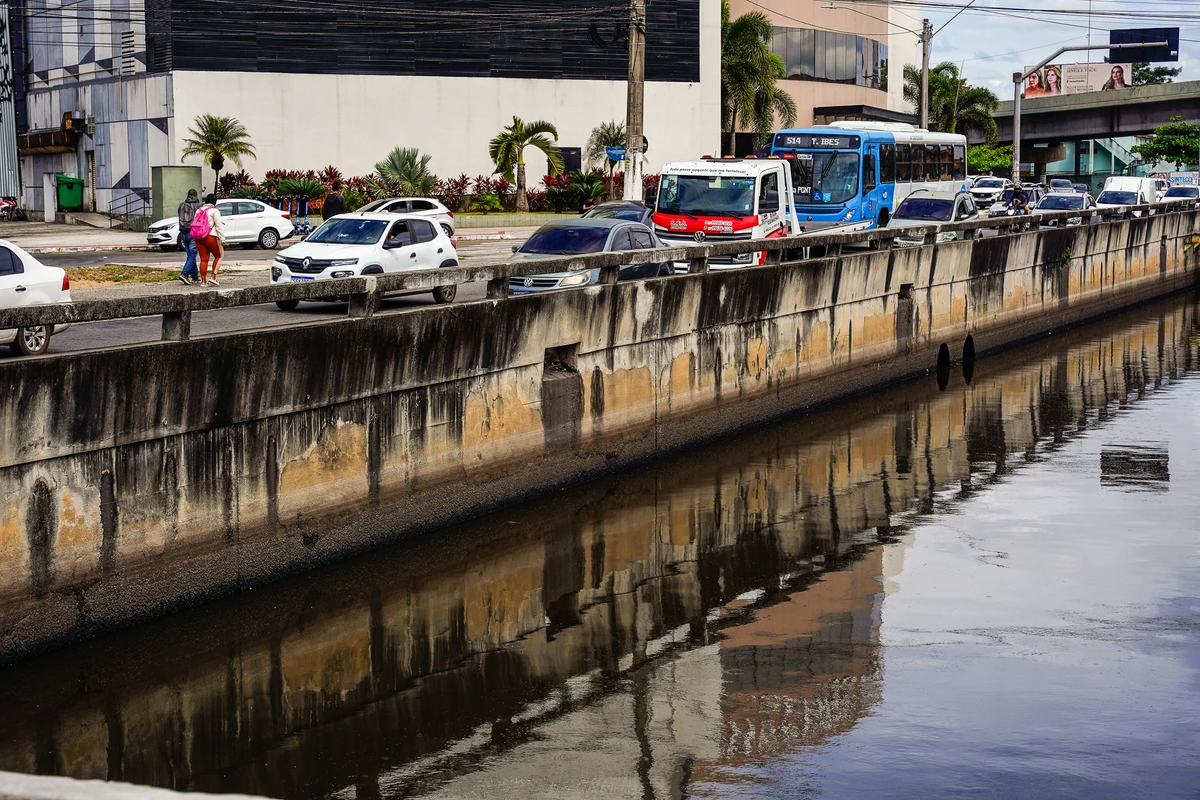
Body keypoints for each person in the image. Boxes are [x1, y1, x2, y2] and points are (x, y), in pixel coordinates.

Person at [191, 194, 225, 287]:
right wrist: (222, 238)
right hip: (211, 236)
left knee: (204, 259)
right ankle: (213, 277)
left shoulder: (199, 210)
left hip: (199, 237)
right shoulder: (214, 211)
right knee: (219, 256)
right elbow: (218, 226)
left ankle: (203, 281)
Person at [177, 189, 201, 285]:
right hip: (193, 232)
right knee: (192, 254)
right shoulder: (198, 206)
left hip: (183, 231)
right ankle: (184, 274)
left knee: (190, 254)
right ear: (196, 195)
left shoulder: (181, 205)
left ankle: (194, 275)